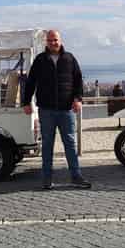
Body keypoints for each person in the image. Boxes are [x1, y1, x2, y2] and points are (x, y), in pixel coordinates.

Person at [22, 29, 91, 190]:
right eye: (50, 40)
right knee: (47, 145)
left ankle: (76, 176)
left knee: (70, 144)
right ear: (46, 42)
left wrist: (78, 99)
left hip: (67, 109)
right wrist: (26, 102)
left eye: (55, 40)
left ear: (60, 40)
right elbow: (31, 82)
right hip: (46, 110)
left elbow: (78, 80)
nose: (53, 43)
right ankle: (47, 179)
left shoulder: (69, 58)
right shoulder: (40, 60)